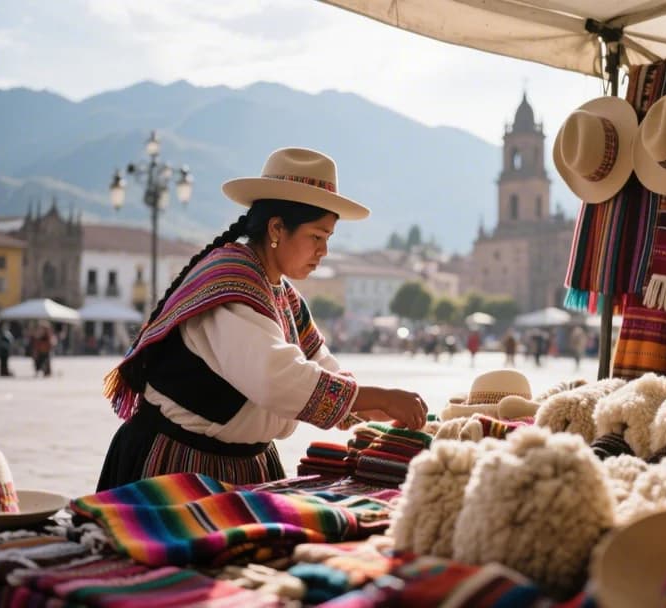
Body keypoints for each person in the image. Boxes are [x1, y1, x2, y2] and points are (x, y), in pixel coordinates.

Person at [96, 148, 428, 491]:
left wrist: (379, 411)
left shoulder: (281, 293)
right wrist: (382, 397)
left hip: (247, 464)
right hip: (181, 467)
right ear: (276, 229)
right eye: (316, 237)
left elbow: (320, 366)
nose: (323, 251)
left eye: (328, 239)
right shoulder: (228, 283)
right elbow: (278, 378)